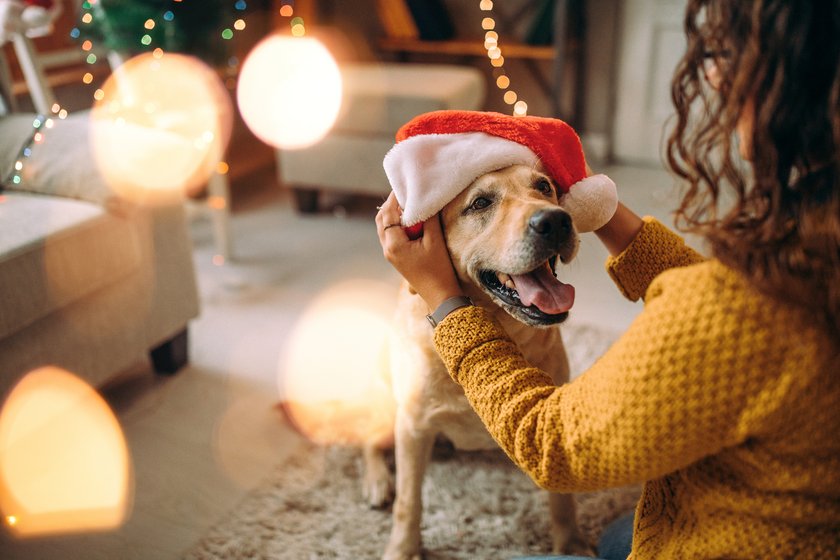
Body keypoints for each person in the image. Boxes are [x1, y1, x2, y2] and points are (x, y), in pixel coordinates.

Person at [375, 0, 840, 558]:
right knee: (623, 533)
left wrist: (445, 303)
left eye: (725, 56)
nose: (714, 76)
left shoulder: (729, 313)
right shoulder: (813, 251)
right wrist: (605, 209)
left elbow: (556, 448)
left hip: (758, 543)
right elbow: (722, 305)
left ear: (783, 89)